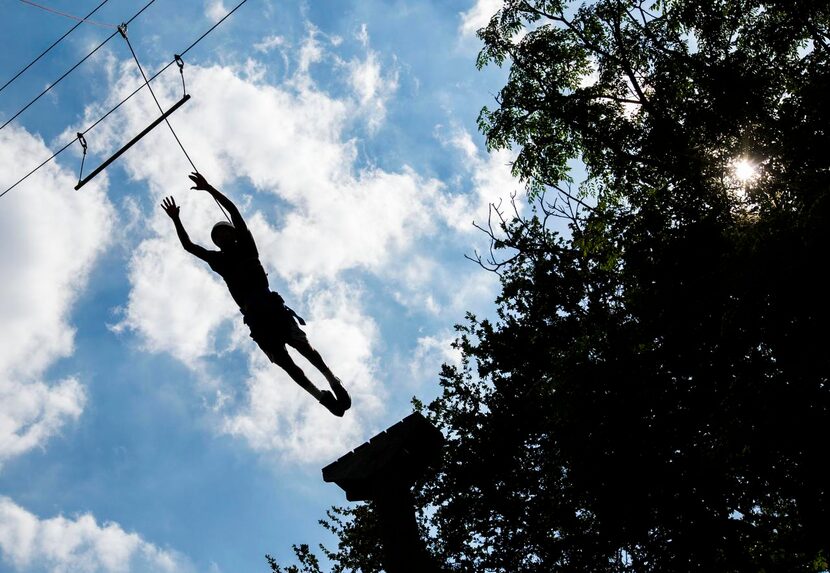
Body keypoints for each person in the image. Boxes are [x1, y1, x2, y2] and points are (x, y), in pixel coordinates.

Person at [161, 172, 351, 417]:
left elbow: (233, 211)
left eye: (224, 232)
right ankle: (321, 397)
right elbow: (189, 246)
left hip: (271, 308)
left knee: (304, 348)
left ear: (234, 235)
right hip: (256, 318)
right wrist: (176, 219)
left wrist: (209, 189)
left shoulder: (248, 247)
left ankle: (332, 381)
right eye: (216, 236)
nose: (220, 237)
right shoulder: (219, 261)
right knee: (286, 364)